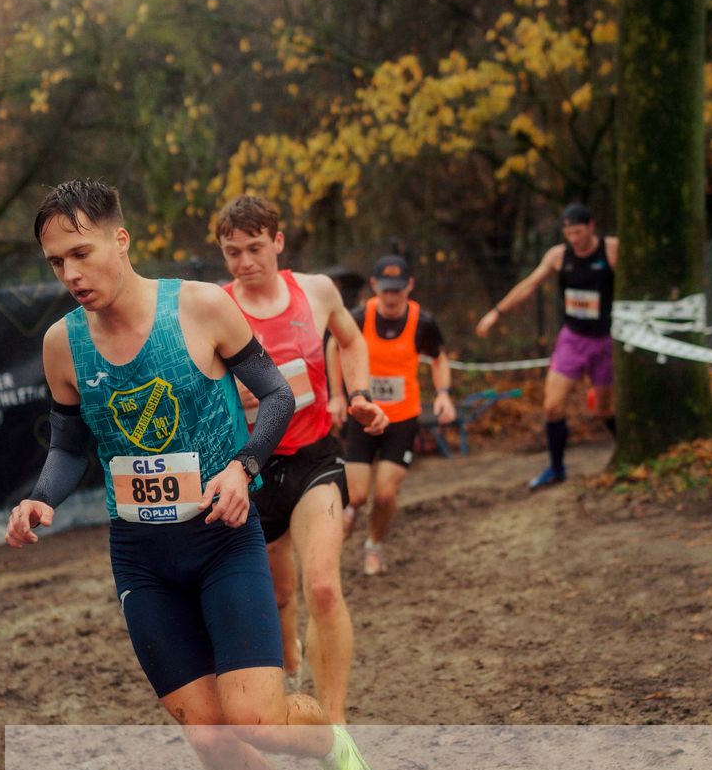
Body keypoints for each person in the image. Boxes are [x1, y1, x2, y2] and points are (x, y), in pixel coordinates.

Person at [3, 179, 385, 770]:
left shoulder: (200, 308)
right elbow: (70, 443)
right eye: (55, 262)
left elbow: (276, 397)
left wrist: (242, 468)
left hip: (220, 541)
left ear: (121, 241)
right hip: (142, 560)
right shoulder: (62, 344)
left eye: (81, 252)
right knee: (208, 736)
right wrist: (42, 495)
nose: (71, 273)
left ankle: (337, 748)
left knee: (256, 718)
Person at [217, 194, 388, 720]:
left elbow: (352, 340)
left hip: (316, 457)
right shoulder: (214, 307)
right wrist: (229, 392)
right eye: (232, 252)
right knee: (281, 594)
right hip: (253, 469)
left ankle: (335, 724)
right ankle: (289, 662)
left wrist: (359, 395)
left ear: (278, 242)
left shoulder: (315, 291)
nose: (245, 262)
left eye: (254, 248)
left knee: (321, 585)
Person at [475, 202, 617, 490]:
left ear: (591, 226)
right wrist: (496, 313)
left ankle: (627, 451)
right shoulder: (558, 255)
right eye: (569, 234)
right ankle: (556, 468)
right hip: (572, 339)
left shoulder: (612, 250)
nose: (574, 239)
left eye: (578, 232)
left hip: (606, 340)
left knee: (602, 410)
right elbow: (529, 285)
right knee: (552, 406)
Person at [341, 253, 456, 575]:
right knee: (359, 494)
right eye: (386, 289)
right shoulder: (359, 317)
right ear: (375, 285)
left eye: (398, 289)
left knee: (386, 493)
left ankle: (373, 545)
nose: (392, 297)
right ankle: (351, 508)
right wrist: (337, 395)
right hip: (363, 415)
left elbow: (439, 358)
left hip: (402, 418)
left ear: (410, 286)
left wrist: (444, 394)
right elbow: (335, 347)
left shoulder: (423, 323)